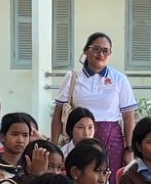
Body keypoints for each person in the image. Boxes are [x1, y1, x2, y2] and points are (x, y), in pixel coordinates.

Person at [52, 32, 137, 176]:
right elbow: (58, 113)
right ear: (85, 50)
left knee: (107, 181)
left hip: (112, 142)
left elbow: (129, 117)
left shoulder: (119, 79)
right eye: (96, 49)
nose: (101, 54)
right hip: (79, 139)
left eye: (106, 50)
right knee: (78, 178)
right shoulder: (73, 77)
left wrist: (129, 149)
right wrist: (53, 147)